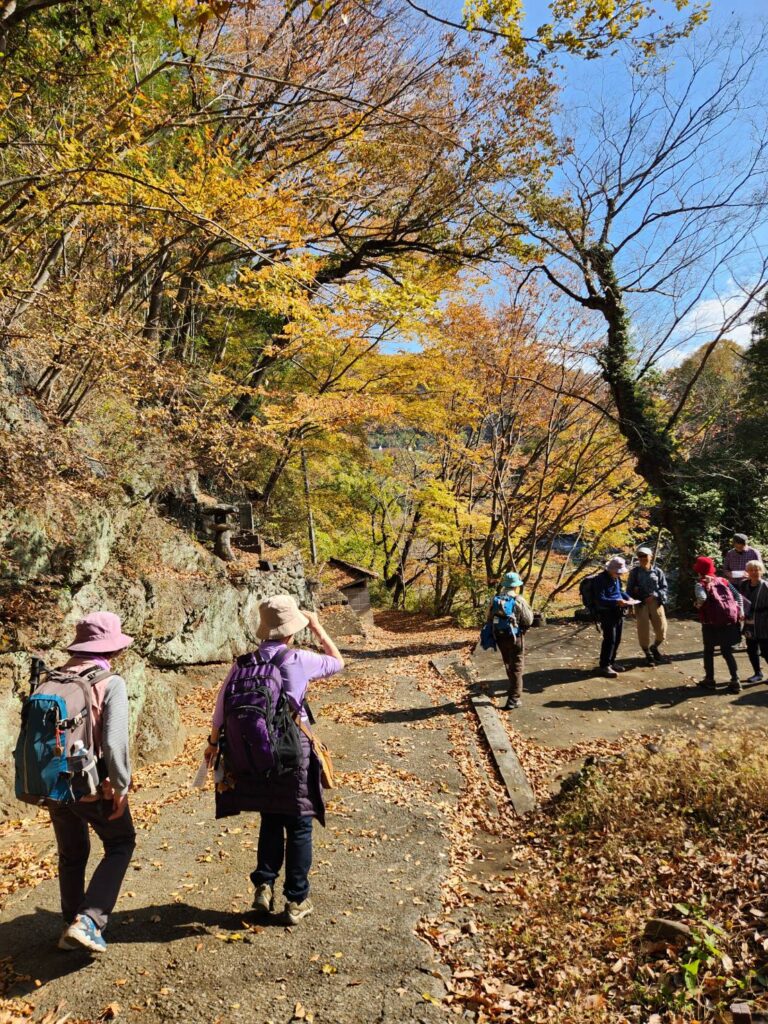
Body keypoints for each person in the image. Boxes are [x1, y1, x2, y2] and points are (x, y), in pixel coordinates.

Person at [206, 596, 343, 926]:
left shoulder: (244, 662)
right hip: (294, 751)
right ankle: (296, 901)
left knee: (270, 818)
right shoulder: (298, 659)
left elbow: (221, 707)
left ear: (265, 629)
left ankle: (263, 888)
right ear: (292, 629)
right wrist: (318, 626)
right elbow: (338, 661)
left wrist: (212, 745)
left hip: (255, 753)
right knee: (298, 824)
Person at [51, 612, 137, 954]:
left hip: (54, 785)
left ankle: (70, 920)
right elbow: (115, 745)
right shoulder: (109, 682)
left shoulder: (51, 679)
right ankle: (88, 921)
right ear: (111, 650)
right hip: (92, 785)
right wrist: (121, 787)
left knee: (72, 853)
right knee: (121, 843)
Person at [693, 556, 745, 694]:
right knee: (727, 652)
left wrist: (697, 605)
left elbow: (702, 598)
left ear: (699, 570)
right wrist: (740, 610)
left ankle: (709, 680)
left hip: (710, 623)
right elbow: (738, 596)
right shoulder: (723, 581)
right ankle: (735, 680)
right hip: (727, 621)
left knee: (709, 651)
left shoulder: (700, 584)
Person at [485, 571, 534, 711]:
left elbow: (488, 617)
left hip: (500, 636)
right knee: (517, 666)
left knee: (508, 662)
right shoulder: (519, 600)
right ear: (516, 586)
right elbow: (528, 620)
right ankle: (514, 699)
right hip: (515, 637)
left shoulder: (495, 599)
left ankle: (512, 687)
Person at [627, 546, 669, 665]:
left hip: (656, 603)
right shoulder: (634, 572)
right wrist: (629, 606)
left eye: (645, 556)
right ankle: (647, 653)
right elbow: (629, 590)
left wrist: (655, 595)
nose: (642, 558)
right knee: (643, 630)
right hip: (641, 604)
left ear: (651, 557)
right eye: (640, 556)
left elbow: (664, 587)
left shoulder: (658, 571)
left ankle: (654, 647)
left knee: (662, 629)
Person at [595, 556, 634, 678]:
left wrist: (629, 599)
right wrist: (616, 601)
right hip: (607, 612)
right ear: (610, 569)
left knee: (617, 639)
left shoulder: (616, 578)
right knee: (609, 639)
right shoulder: (600, 580)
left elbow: (620, 592)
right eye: (617, 571)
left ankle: (611, 662)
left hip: (618, 611)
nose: (619, 574)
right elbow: (600, 599)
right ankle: (604, 665)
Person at [736, 560, 768, 683]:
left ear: (762, 571)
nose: (754, 572)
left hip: (764, 624)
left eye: (757, 570)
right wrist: (741, 611)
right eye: (751, 570)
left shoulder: (765, 586)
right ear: (747, 571)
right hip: (749, 624)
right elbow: (740, 600)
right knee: (751, 650)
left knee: (766, 651)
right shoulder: (744, 584)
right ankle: (757, 673)